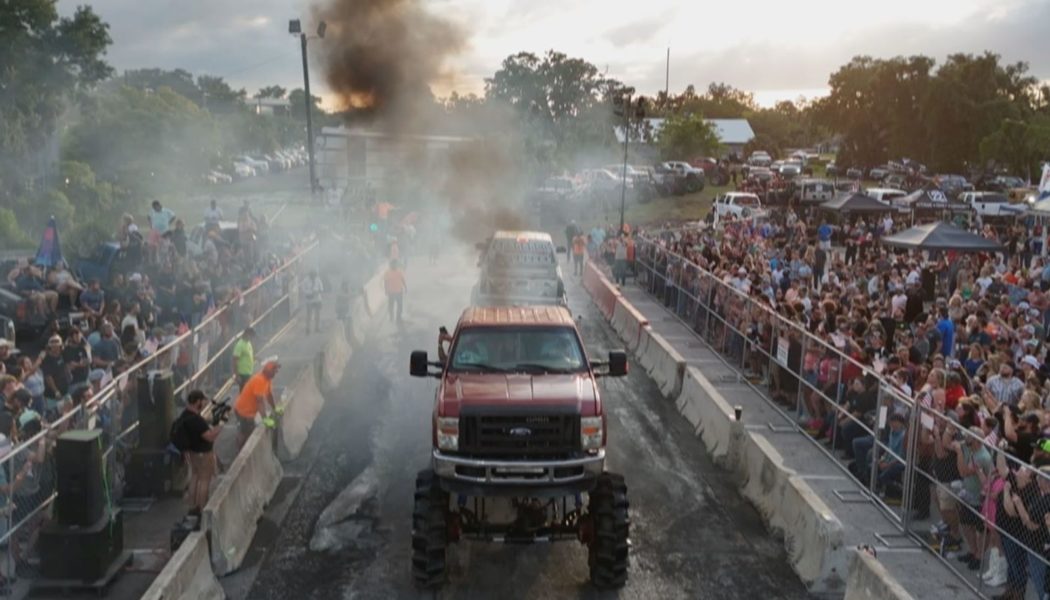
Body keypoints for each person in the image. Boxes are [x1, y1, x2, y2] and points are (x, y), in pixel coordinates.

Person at [170, 390, 223, 516]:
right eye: (203, 401)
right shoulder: (196, 420)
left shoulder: (185, 415)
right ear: (198, 401)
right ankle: (201, 507)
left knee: (195, 476)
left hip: (193, 453)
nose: (204, 404)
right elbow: (210, 436)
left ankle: (193, 505)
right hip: (203, 454)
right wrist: (220, 425)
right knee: (204, 479)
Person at [233, 357, 280, 450]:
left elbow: (269, 395)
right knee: (246, 432)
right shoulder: (260, 380)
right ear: (267, 370)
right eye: (274, 370)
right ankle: (240, 451)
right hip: (243, 411)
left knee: (248, 429)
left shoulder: (267, 380)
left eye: (276, 370)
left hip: (248, 411)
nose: (276, 372)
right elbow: (260, 402)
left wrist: (275, 408)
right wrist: (265, 419)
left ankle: (242, 443)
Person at [384, 259, 407, 324]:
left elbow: (402, 279)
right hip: (391, 292)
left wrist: (405, 287)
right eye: (392, 264)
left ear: (396, 265)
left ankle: (398, 317)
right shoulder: (387, 272)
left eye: (395, 264)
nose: (394, 265)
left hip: (399, 291)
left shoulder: (399, 271)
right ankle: (391, 316)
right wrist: (386, 290)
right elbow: (385, 282)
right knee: (391, 305)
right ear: (390, 265)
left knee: (400, 305)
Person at [302, 270, 324, 334]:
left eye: (315, 276)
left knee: (318, 314)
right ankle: (308, 328)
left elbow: (322, 288)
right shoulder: (305, 280)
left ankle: (317, 328)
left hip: (317, 298)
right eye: (312, 276)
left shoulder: (318, 279)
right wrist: (309, 293)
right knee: (309, 315)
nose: (314, 278)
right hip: (309, 299)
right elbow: (303, 289)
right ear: (310, 275)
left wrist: (318, 291)